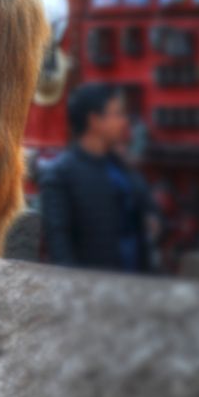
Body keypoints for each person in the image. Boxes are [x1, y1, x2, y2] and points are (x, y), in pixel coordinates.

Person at [39, 83, 154, 272]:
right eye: (116, 114)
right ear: (94, 120)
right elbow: (60, 247)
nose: (124, 122)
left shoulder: (121, 167)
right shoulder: (60, 176)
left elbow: (146, 214)